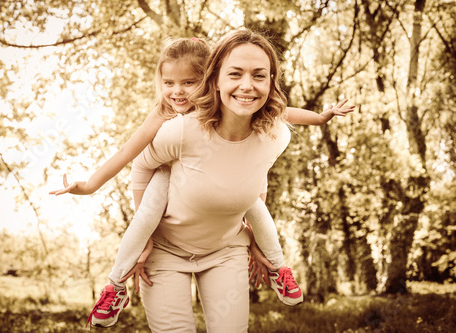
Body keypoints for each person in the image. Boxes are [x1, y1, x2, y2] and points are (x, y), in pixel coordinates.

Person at [49, 36, 354, 329]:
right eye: (169, 83)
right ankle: (115, 284)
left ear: (206, 80)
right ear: (218, 78)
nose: (178, 92)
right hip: (164, 180)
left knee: (255, 205)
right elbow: (131, 154)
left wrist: (322, 117)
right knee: (146, 215)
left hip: (224, 239)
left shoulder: (260, 123)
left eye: (188, 83)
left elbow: (276, 129)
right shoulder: (169, 118)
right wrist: (91, 186)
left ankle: (278, 266)